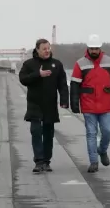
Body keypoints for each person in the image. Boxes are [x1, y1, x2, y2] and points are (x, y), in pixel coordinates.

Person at [70, 34, 110, 173]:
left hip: (105, 105)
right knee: (91, 133)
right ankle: (93, 162)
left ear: (100, 48)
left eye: (96, 48)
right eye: (92, 48)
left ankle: (102, 150)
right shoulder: (80, 64)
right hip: (88, 105)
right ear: (87, 48)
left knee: (107, 131)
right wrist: (74, 103)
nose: (94, 51)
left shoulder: (109, 62)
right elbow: (75, 85)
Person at [19, 38, 69, 173]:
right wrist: (38, 74)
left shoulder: (56, 64)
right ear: (37, 50)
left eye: (48, 48)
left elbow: (62, 84)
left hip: (50, 104)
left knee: (48, 134)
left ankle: (46, 161)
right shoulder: (29, 64)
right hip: (34, 104)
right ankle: (38, 161)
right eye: (44, 49)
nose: (47, 51)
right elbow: (23, 79)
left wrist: (64, 100)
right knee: (35, 132)